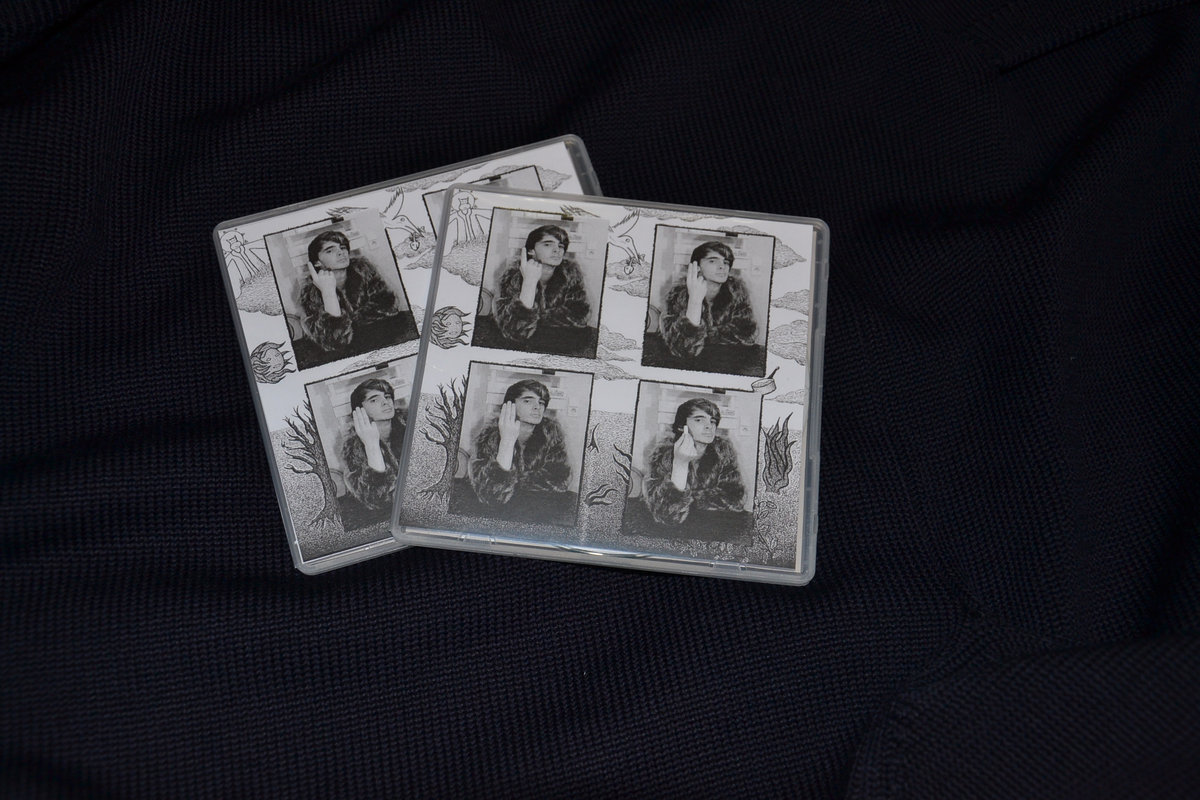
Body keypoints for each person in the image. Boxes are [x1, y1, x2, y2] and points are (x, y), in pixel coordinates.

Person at [642, 397, 746, 526]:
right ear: (682, 426)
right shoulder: (664, 453)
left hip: (712, 524)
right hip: (673, 529)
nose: (709, 426)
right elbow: (666, 513)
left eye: (712, 421)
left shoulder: (723, 450)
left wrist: (690, 500)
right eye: (699, 420)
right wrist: (680, 463)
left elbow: (735, 499)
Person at [468, 379, 572, 508]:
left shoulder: (552, 434)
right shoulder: (490, 435)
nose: (537, 407)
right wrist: (507, 441)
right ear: (510, 406)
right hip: (499, 508)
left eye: (541, 402)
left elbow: (558, 482)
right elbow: (491, 493)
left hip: (536, 505)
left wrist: (517, 487)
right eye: (527, 401)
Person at [298, 230, 406, 352]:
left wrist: (352, 324)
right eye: (330, 251)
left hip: (380, 337)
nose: (341, 252)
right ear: (317, 262)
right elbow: (333, 340)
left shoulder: (364, 271)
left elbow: (388, 308)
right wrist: (328, 293)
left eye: (342, 247)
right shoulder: (310, 292)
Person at [492, 225, 590, 343]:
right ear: (531, 250)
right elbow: (514, 330)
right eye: (547, 244)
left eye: (561, 246)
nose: (557, 250)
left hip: (558, 342)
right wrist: (529, 282)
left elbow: (579, 317)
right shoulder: (513, 275)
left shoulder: (571, 274)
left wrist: (536, 320)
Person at [659, 241, 757, 360]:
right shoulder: (679, 295)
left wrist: (704, 336)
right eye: (712, 261)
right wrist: (694, 301)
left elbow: (747, 335)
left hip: (725, 360)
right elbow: (683, 348)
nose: (722, 266)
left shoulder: (737, 292)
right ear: (697, 267)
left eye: (726, 262)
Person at [340, 378, 407, 512]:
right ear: (360, 411)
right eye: (374, 400)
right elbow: (376, 499)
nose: (385, 402)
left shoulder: (409, 425)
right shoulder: (353, 448)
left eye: (387, 396)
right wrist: (372, 446)